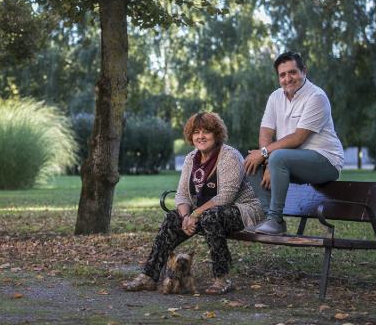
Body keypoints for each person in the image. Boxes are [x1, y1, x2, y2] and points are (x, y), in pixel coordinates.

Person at [122, 112, 265, 295]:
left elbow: (226, 197)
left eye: (206, 131)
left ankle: (222, 279)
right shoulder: (191, 158)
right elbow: (182, 194)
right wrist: (184, 217)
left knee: (210, 216)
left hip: (242, 211)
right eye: (196, 132)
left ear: (217, 134)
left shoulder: (229, 156)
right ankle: (149, 276)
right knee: (172, 218)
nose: (200, 136)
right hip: (205, 214)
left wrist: (195, 214)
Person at [244, 51, 344, 235]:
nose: (287, 79)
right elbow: (266, 131)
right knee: (251, 162)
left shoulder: (316, 97)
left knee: (277, 157)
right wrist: (266, 162)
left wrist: (267, 154)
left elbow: (298, 138)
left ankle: (274, 218)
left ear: (304, 71)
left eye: (292, 72)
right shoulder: (275, 97)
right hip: (290, 161)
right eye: (282, 74)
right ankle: (272, 220)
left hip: (326, 161)